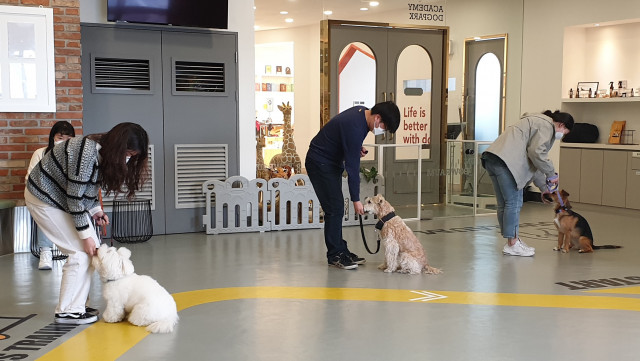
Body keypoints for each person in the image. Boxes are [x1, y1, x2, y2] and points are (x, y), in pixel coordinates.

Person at [25, 122, 149, 324]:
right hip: (44, 197)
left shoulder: (102, 153)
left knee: (92, 251)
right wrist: (84, 235)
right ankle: (67, 311)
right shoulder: (85, 151)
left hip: (62, 198)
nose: (129, 158)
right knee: (80, 252)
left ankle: (78, 304)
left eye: (133, 156)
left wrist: (96, 210)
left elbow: (88, 189)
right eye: (128, 153)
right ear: (118, 146)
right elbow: (75, 197)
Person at [305, 101, 401, 270]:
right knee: (334, 208)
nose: (381, 131)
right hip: (319, 162)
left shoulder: (362, 114)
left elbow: (344, 138)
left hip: (330, 162)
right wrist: (356, 199)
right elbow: (353, 169)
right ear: (378, 118)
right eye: (384, 127)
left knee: (336, 207)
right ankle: (335, 254)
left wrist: (356, 147)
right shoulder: (355, 127)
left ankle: (341, 249)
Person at [481, 110, 573, 257]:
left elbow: (532, 160)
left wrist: (544, 188)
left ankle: (512, 241)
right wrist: (551, 173)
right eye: (564, 132)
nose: (561, 136)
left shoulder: (533, 121)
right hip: (507, 163)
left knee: (504, 204)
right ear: (561, 124)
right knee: (513, 203)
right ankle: (512, 243)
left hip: (492, 159)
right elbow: (537, 153)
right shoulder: (546, 125)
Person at [26, 121, 76, 270]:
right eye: (60, 137)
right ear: (53, 137)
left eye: (68, 139)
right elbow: (29, 179)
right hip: (43, 197)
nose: (64, 142)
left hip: (66, 198)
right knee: (46, 208)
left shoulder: (75, 157)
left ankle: (73, 252)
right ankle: (45, 252)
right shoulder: (40, 153)